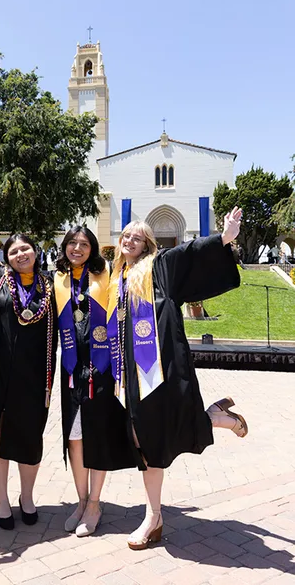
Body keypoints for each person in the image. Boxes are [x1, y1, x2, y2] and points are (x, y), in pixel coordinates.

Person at [107, 207, 248, 550]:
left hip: (160, 365)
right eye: (126, 235)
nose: (129, 240)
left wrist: (224, 237)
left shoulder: (158, 266)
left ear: (148, 245)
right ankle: (154, 513)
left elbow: (188, 253)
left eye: (137, 237)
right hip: (131, 373)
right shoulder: (118, 278)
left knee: (154, 434)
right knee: (143, 439)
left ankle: (152, 516)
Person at [54, 226, 135, 537]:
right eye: (72, 243)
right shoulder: (57, 280)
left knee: (96, 434)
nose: (77, 248)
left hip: (100, 367)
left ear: (93, 248)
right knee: (74, 437)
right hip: (72, 368)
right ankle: (81, 499)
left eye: (84, 243)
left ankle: (95, 504)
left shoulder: (107, 276)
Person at [0, 234, 57, 530]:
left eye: (25, 248)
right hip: (0, 376)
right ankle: (1, 499)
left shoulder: (50, 284)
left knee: (29, 437)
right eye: (14, 251)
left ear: (35, 251)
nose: (20, 254)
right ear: (7, 257)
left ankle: (26, 497)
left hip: (35, 378)